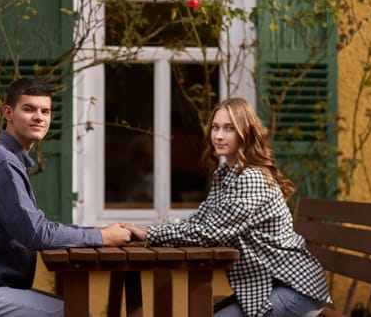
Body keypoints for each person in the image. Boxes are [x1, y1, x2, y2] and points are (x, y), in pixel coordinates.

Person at [0, 78, 132, 317]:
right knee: (78, 314)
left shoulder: (9, 159)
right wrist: (100, 236)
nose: (39, 117)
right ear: (8, 112)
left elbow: (36, 227)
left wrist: (97, 231)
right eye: (29, 109)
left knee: (76, 310)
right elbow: (35, 233)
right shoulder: (2, 162)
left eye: (45, 111)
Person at [127, 97, 330, 317]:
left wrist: (153, 234)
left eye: (229, 128)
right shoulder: (226, 175)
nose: (218, 135)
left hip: (297, 289)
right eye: (215, 128)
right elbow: (201, 222)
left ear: (245, 133)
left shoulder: (251, 178)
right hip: (266, 286)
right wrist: (150, 232)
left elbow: (212, 232)